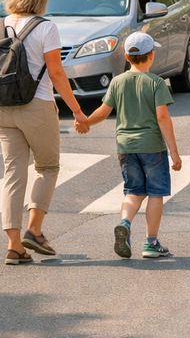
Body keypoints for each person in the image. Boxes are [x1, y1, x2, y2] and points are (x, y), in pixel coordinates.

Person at [0, 0, 87, 265]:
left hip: (3, 108)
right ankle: (33, 230)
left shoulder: (0, 25)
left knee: (13, 174)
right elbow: (56, 73)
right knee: (47, 167)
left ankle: (13, 246)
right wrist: (77, 110)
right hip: (38, 106)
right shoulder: (47, 28)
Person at [77, 32, 183, 260]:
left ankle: (125, 222)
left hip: (125, 147)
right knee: (155, 193)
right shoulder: (156, 83)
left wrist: (85, 121)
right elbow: (163, 118)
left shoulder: (117, 82)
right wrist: (174, 151)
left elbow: (103, 112)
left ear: (126, 56)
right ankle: (151, 243)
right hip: (152, 146)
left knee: (134, 191)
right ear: (151, 55)